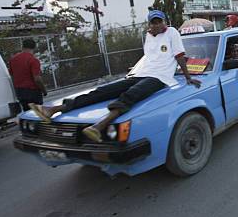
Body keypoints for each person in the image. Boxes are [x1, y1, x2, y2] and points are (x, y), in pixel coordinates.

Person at [30, 10, 202, 142]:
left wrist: (187, 77)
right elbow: (149, 58)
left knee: (131, 95)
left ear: (165, 22)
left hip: (160, 78)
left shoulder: (172, 32)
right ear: (149, 24)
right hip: (141, 73)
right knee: (102, 91)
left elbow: (179, 56)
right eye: (153, 22)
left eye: (159, 21)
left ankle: (100, 125)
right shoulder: (148, 36)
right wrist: (134, 69)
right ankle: (52, 109)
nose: (157, 25)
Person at [9, 39, 47, 112]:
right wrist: (44, 90)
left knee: (27, 112)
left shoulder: (13, 60)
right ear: (34, 47)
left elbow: (12, 75)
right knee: (37, 113)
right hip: (32, 92)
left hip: (20, 91)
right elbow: (37, 79)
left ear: (22, 47)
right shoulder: (33, 60)